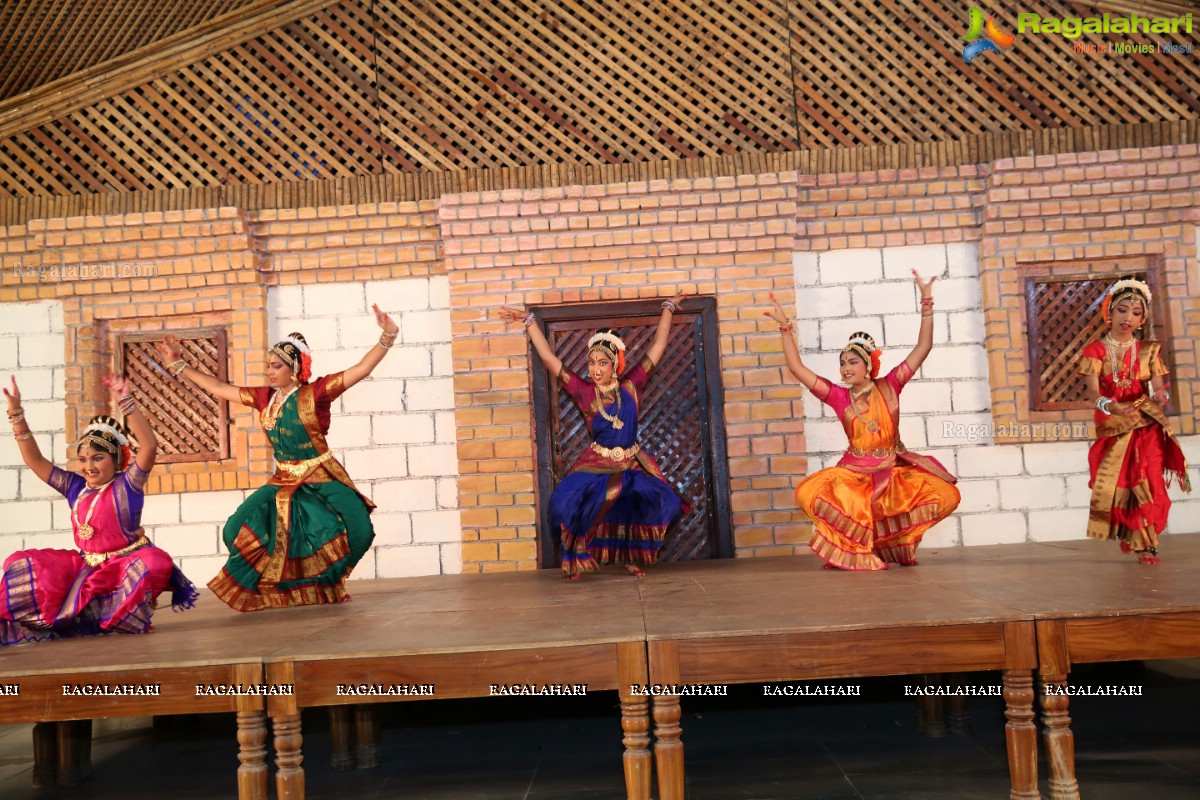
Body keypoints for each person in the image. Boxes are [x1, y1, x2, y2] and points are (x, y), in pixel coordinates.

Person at [156, 305, 397, 610]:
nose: (269, 371)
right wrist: (179, 365)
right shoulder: (264, 398)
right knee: (233, 531)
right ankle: (280, 587)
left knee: (361, 531)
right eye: (269, 365)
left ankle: (327, 584)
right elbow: (219, 387)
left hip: (320, 474)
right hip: (283, 478)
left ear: (294, 368)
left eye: (276, 366)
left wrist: (387, 336)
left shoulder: (317, 393)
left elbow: (360, 370)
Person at [765, 271, 960, 570]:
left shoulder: (890, 386)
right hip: (855, 472)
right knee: (809, 492)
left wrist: (927, 304)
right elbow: (797, 368)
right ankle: (858, 552)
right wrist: (785, 329)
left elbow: (923, 349)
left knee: (945, 495)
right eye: (842, 363)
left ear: (868, 365)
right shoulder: (838, 397)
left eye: (852, 362)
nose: (845, 368)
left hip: (890, 468)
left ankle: (884, 548)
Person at [499, 296, 691, 579]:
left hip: (631, 463)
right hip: (597, 465)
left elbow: (658, 346)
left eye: (603, 362)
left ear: (616, 365)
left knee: (663, 503)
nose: (596, 369)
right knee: (562, 504)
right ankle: (575, 559)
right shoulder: (583, 390)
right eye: (591, 363)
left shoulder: (632, 386)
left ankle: (635, 557)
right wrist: (529, 323)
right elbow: (550, 359)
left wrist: (667, 308)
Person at [1, 375, 198, 645]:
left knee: (156, 562)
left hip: (124, 566)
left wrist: (125, 400)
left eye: (97, 458)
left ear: (116, 459)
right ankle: (94, 613)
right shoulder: (75, 486)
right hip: (85, 566)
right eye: (83, 459)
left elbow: (149, 446)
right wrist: (15, 413)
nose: (88, 466)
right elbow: (35, 460)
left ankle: (125, 616)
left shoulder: (128, 484)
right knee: (19, 561)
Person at [1076, 277, 1190, 564]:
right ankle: (1132, 534)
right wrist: (1108, 405)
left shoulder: (1149, 350)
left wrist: (1162, 394)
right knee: (1121, 484)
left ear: (1143, 319)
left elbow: (1158, 385)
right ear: (1109, 312)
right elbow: (1092, 391)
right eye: (1122, 310)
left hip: (1145, 422)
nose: (1128, 318)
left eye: (1136, 313)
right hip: (1113, 423)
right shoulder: (1095, 351)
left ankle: (1146, 543)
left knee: (1149, 480)